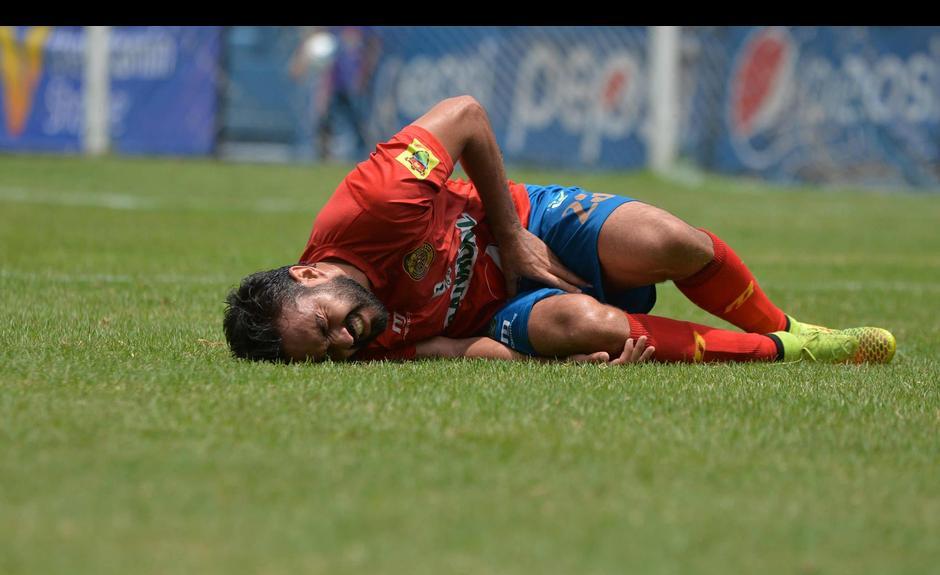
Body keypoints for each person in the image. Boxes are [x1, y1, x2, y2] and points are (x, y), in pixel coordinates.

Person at [223, 96, 896, 366]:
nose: (345, 339)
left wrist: (511, 234)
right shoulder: (359, 345)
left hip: (530, 221)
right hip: (505, 310)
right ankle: (791, 352)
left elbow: (465, 114)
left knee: (673, 242)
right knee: (595, 328)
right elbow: (456, 351)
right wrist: (539, 366)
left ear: (309, 273)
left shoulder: (376, 202)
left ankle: (790, 323)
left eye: (326, 326)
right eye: (328, 352)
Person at [290, 26, 380, 161]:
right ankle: (323, 154)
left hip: (354, 82)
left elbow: (373, 47)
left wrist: (364, 75)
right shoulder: (329, 32)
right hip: (334, 83)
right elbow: (314, 40)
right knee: (325, 120)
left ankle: (366, 155)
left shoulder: (363, 31)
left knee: (358, 121)